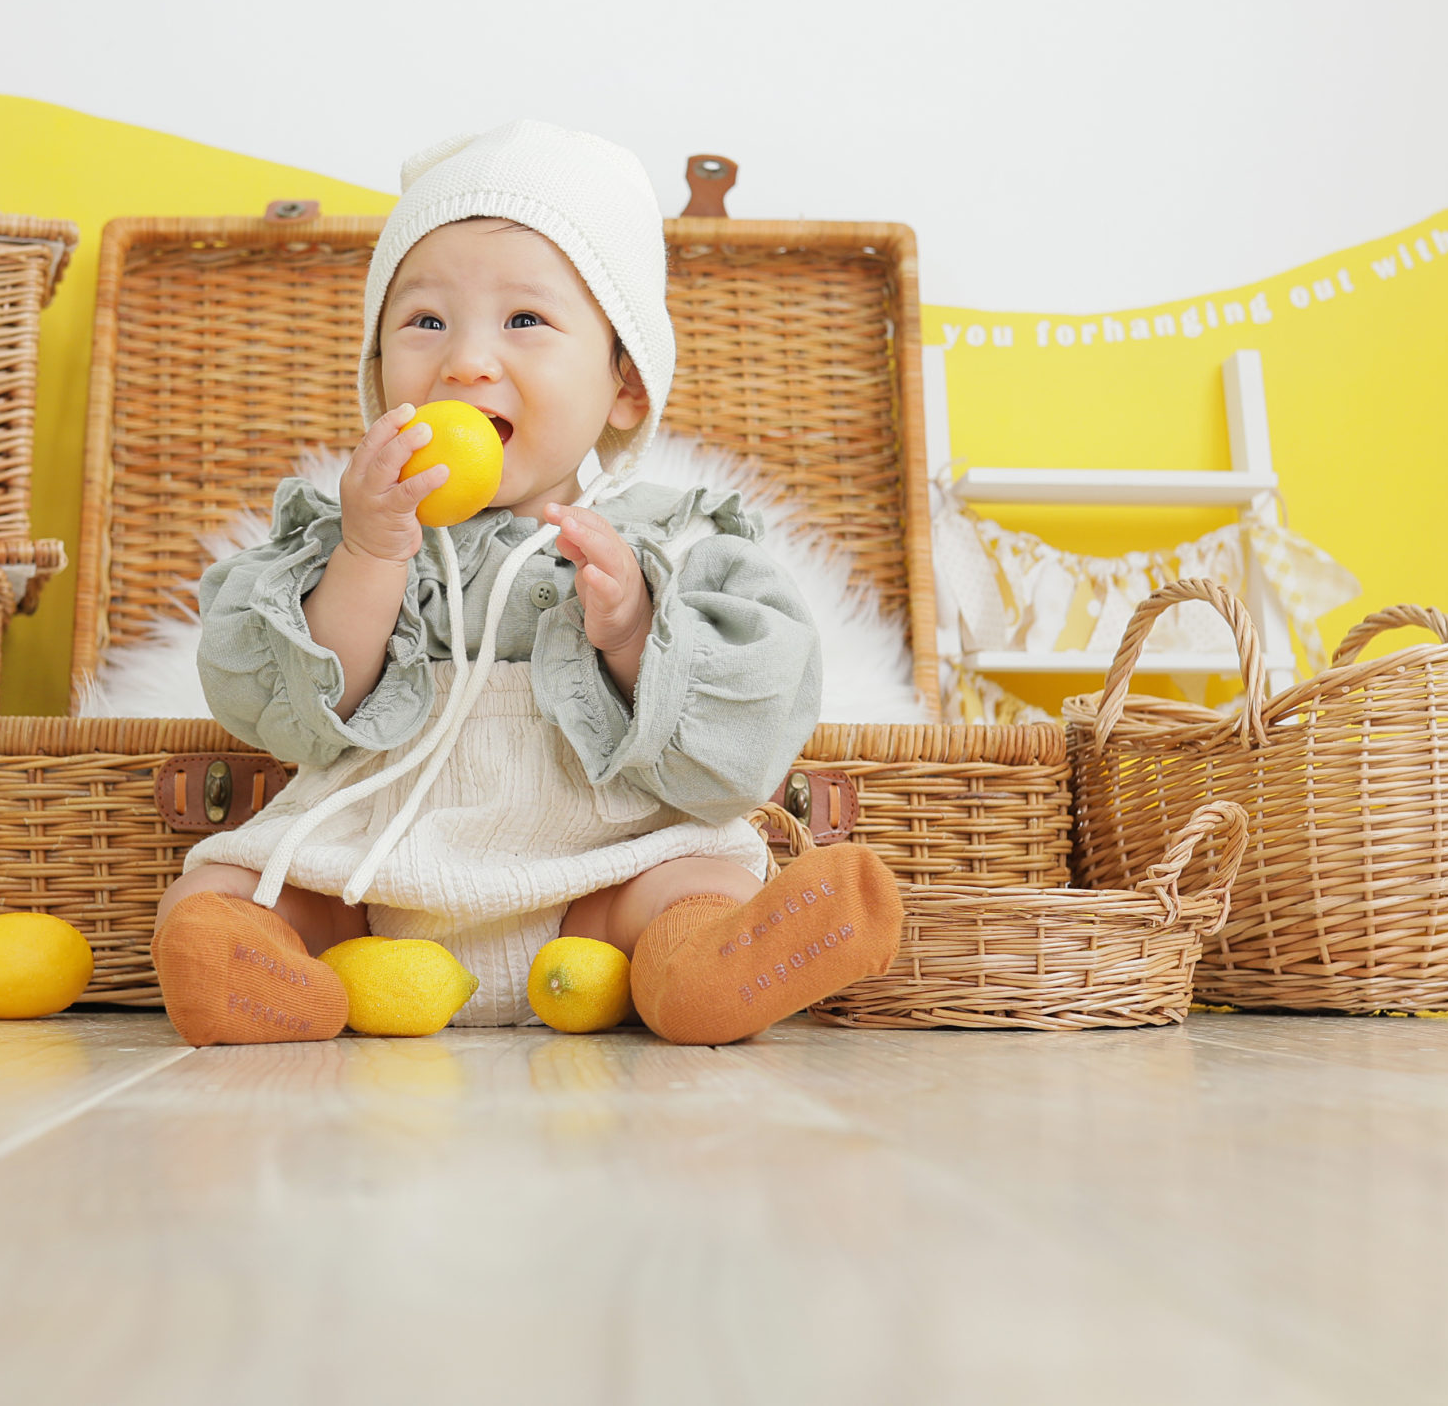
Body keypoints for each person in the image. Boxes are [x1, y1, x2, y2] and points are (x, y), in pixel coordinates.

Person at [151, 121, 900, 1046]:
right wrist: (372, 552)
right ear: (377, 375)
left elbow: (742, 737)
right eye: (426, 321)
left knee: (695, 876)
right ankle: (248, 968)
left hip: (602, 870)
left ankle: (703, 965)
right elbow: (293, 705)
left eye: (524, 321)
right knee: (228, 883)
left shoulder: (671, 541)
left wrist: (632, 628)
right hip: (371, 867)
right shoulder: (349, 530)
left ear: (626, 386)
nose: (465, 360)